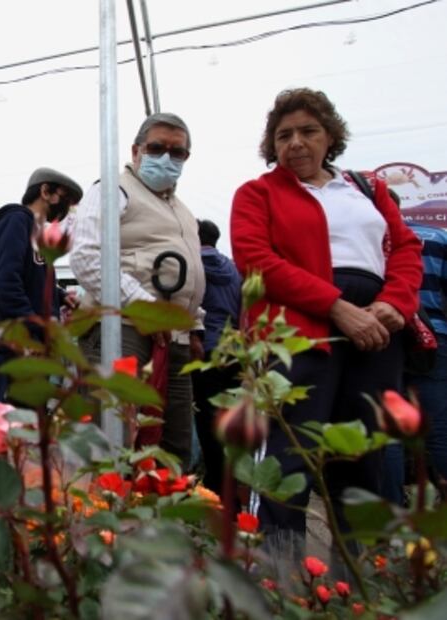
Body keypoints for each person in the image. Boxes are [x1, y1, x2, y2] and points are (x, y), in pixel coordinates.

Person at [230, 88, 422, 537]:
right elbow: (256, 258)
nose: (296, 142)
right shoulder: (258, 193)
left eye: (308, 131)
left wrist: (395, 303)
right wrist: (336, 307)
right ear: (272, 146)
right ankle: (279, 577)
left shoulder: (365, 188)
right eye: (284, 135)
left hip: (376, 326)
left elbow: (406, 248)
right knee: (287, 450)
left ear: (330, 137)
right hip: (299, 324)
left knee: (361, 452)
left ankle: (356, 580)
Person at [70, 112, 206, 465]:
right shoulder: (112, 190)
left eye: (177, 152)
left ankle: (160, 517)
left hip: (174, 338)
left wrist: (195, 327)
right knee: (112, 439)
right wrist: (145, 307)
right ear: (136, 150)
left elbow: (189, 274)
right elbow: (86, 256)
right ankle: (103, 519)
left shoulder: (183, 211)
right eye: (157, 147)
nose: (166, 158)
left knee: (172, 448)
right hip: (125, 329)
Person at [0, 167, 82, 404]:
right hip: (20, 341)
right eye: (66, 199)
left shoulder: (38, 234)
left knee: (28, 419)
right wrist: (34, 327)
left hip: (33, 341)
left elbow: (30, 278)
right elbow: (7, 281)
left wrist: (60, 296)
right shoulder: (17, 220)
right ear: (45, 191)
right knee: (19, 419)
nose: (68, 208)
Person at [400, 191, 447, 492]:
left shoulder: (373, 237)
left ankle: (390, 505)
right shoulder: (437, 237)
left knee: (385, 428)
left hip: (382, 335)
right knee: (438, 426)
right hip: (435, 336)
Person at [192, 219, 242, 490]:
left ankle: (215, 484)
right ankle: (235, 482)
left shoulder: (193, 265)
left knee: (207, 416)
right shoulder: (233, 268)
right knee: (231, 417)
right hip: (235, 350)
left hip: (206, 347)